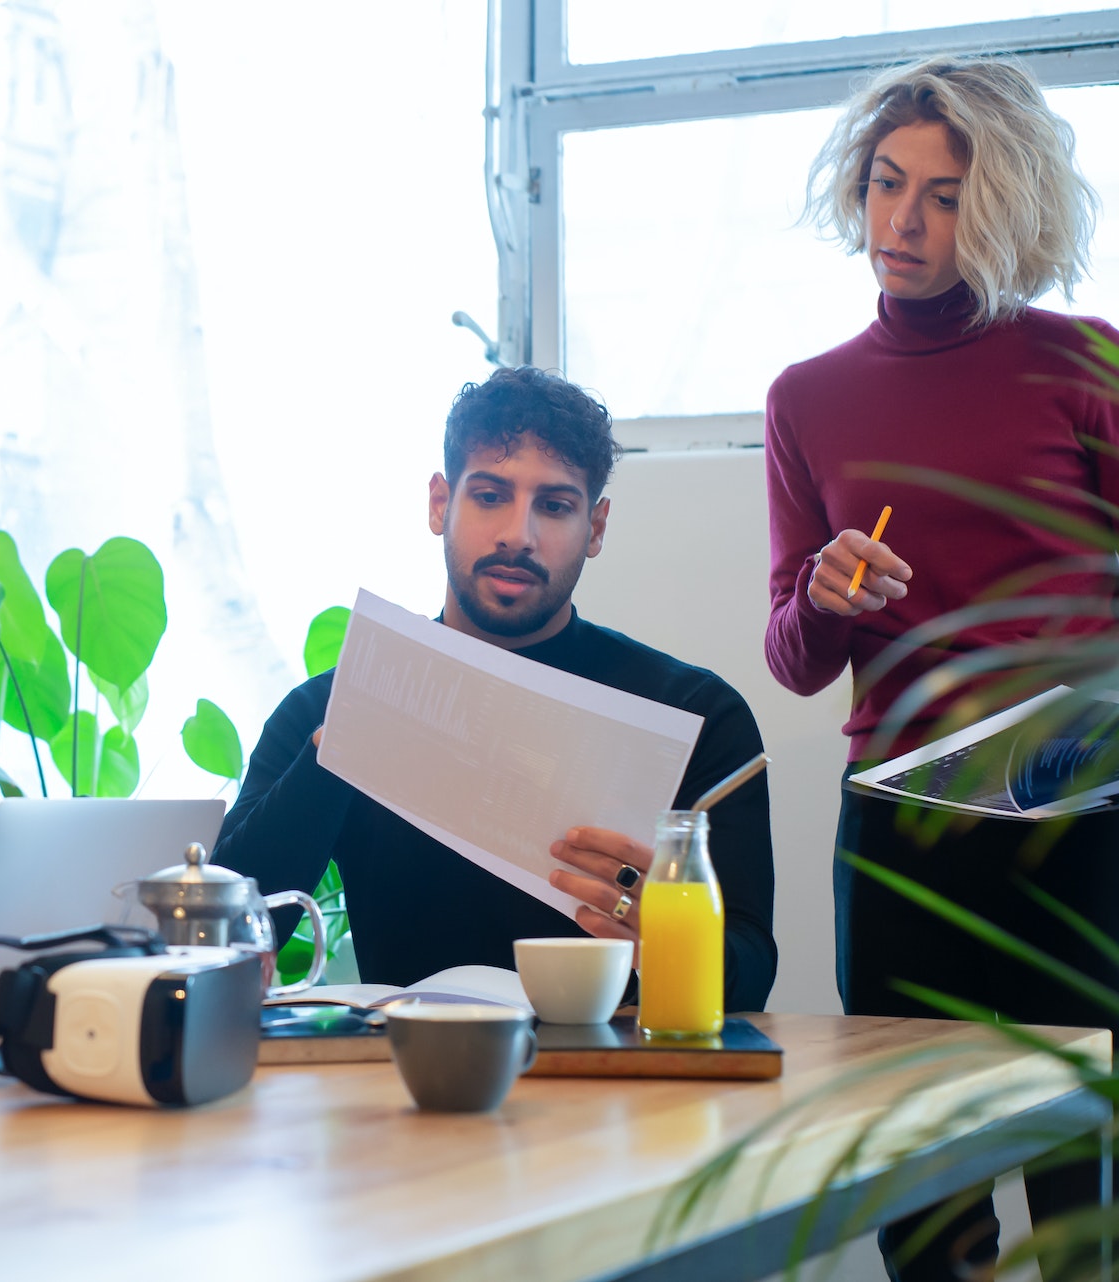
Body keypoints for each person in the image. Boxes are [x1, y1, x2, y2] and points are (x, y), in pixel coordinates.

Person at [765, 55, 1119, 1281]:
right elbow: (795, 660)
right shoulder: (807, 398)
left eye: (946, 195)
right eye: (884, 184)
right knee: (924, 1204)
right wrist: (821, 591)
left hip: (1069, 827)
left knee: (1082, 1198)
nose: (902, 222)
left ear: (1008, 204)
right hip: (899, 837)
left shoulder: (1087, 370)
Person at [216, 365, 776, 1010]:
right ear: (439, 504)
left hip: (621, 1082)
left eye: (555, 506)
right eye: (489, 496)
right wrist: (332, 756)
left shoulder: (694, 714)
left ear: (594, 529)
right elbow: (227, 943)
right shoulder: (323, 711)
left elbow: (752, 980)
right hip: (405, 1083)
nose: (519, 534)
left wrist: (670, 933)